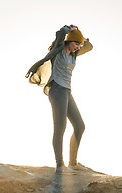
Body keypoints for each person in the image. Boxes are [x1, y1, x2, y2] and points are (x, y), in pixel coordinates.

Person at [26, 24, 93, 174]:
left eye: (79, 45)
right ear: (68, 41)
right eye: (76, 43)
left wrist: (80, 37)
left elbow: (90, 46)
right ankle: (60, 165)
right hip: (57, 90)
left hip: (67, 92)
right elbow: (59, 33)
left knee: (80, 126)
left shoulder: (73, 55)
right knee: (60, 127)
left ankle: (73, 163)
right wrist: (69, 29)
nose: (78, 47)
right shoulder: (58, 51)